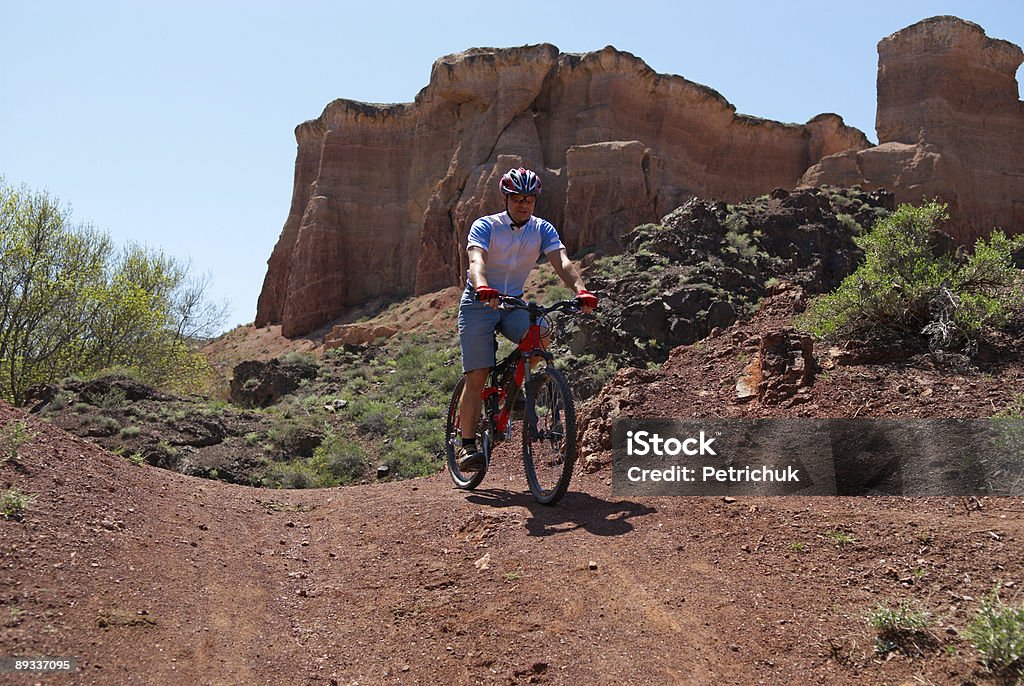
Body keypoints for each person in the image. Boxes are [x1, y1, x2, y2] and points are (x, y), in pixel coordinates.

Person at [456, 167, 598, 471]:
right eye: (518, 198)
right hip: (479, 302)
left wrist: (581, 289)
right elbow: (475, 260)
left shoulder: (542, 229)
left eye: (529, 199)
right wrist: (482, 286)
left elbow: (561, 261)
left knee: (542, 332)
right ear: (507, 198)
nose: (523, 204)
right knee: (477, 374)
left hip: (512, 302)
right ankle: (466, 445)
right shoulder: (486, 226)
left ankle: (511, 386)